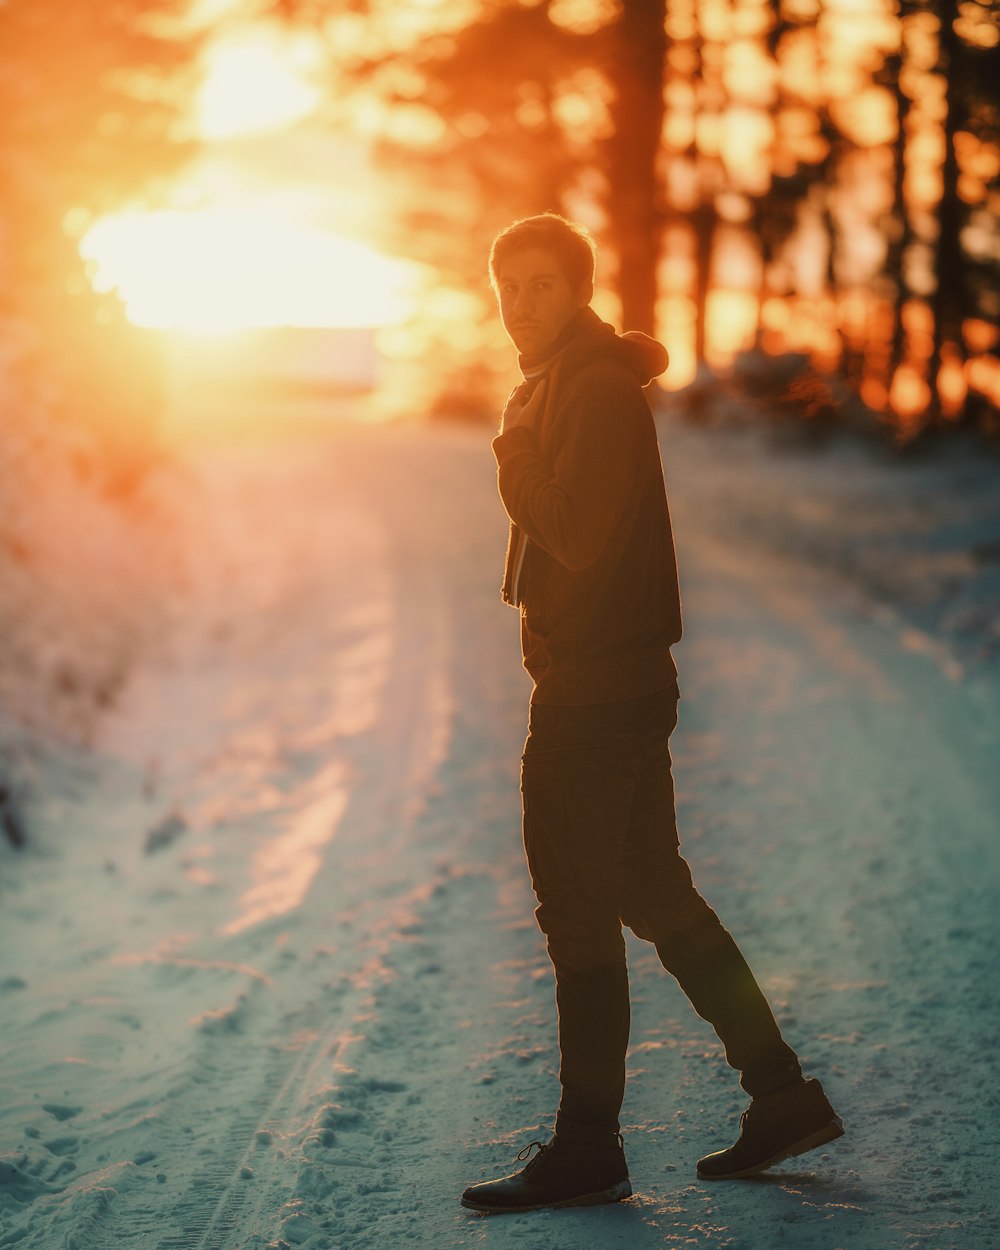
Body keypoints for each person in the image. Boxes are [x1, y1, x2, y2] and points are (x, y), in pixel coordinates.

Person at [460, 213, 843, 1215]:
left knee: (575, 906)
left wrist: (510, 453)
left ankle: (589, 1144)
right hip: (614, 681)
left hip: (594, 692)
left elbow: (574, 532)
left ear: (579, 292)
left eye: (543, 283)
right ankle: (782, 1093)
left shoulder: (586, 390)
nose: (522, 300)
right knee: (654, 893)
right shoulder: (572, 380)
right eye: (510, 282)